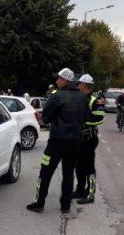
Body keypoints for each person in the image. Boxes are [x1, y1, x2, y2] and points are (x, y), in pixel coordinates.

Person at [26, 68, 87, 214]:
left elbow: (45, 118)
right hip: (74, 142)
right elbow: (85, 118)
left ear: (65, 80)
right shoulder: (82, 97)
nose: (57, 81)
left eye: (59, 78)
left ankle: (39, 203)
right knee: (68, 173)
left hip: (56, 142)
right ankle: (65, 206)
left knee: (45, 172)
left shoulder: (57, 96)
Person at [73, 74, 105, 204]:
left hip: (89, 138)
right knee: (79, 166)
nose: (77, 86)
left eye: (79, 84)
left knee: (89, 167)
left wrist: (81, 118)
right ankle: (80, 190)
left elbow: (99, 117)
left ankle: (90, 194)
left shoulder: (96, 99)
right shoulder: (78, 98)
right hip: (78, 138)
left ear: (85, 86)